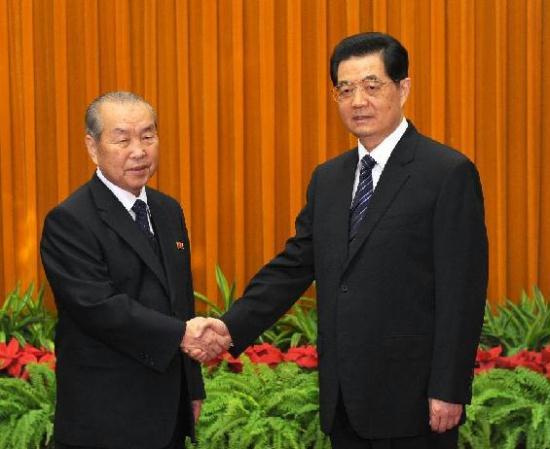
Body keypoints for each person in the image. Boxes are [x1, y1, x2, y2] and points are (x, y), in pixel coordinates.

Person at [191, 32, 488, 449]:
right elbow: (295, 265)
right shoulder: (328, 179)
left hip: (415, 400)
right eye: (345, 90)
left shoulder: (446, 173)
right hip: (344, 399)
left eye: (372, 86)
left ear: (403, 88)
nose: (357, 101)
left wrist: (450, 388)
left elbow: (463, 292)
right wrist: (228, 326)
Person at [40, 91, 228, 449]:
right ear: (92, 147)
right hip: (106, 419)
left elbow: (180, 302)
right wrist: (182, 335)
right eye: (122, 139)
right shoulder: (71, 220)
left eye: (147, 135)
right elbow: (99, 307)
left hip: (167, 412)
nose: (138, 150)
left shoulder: (168, 210)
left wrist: (193, 386)